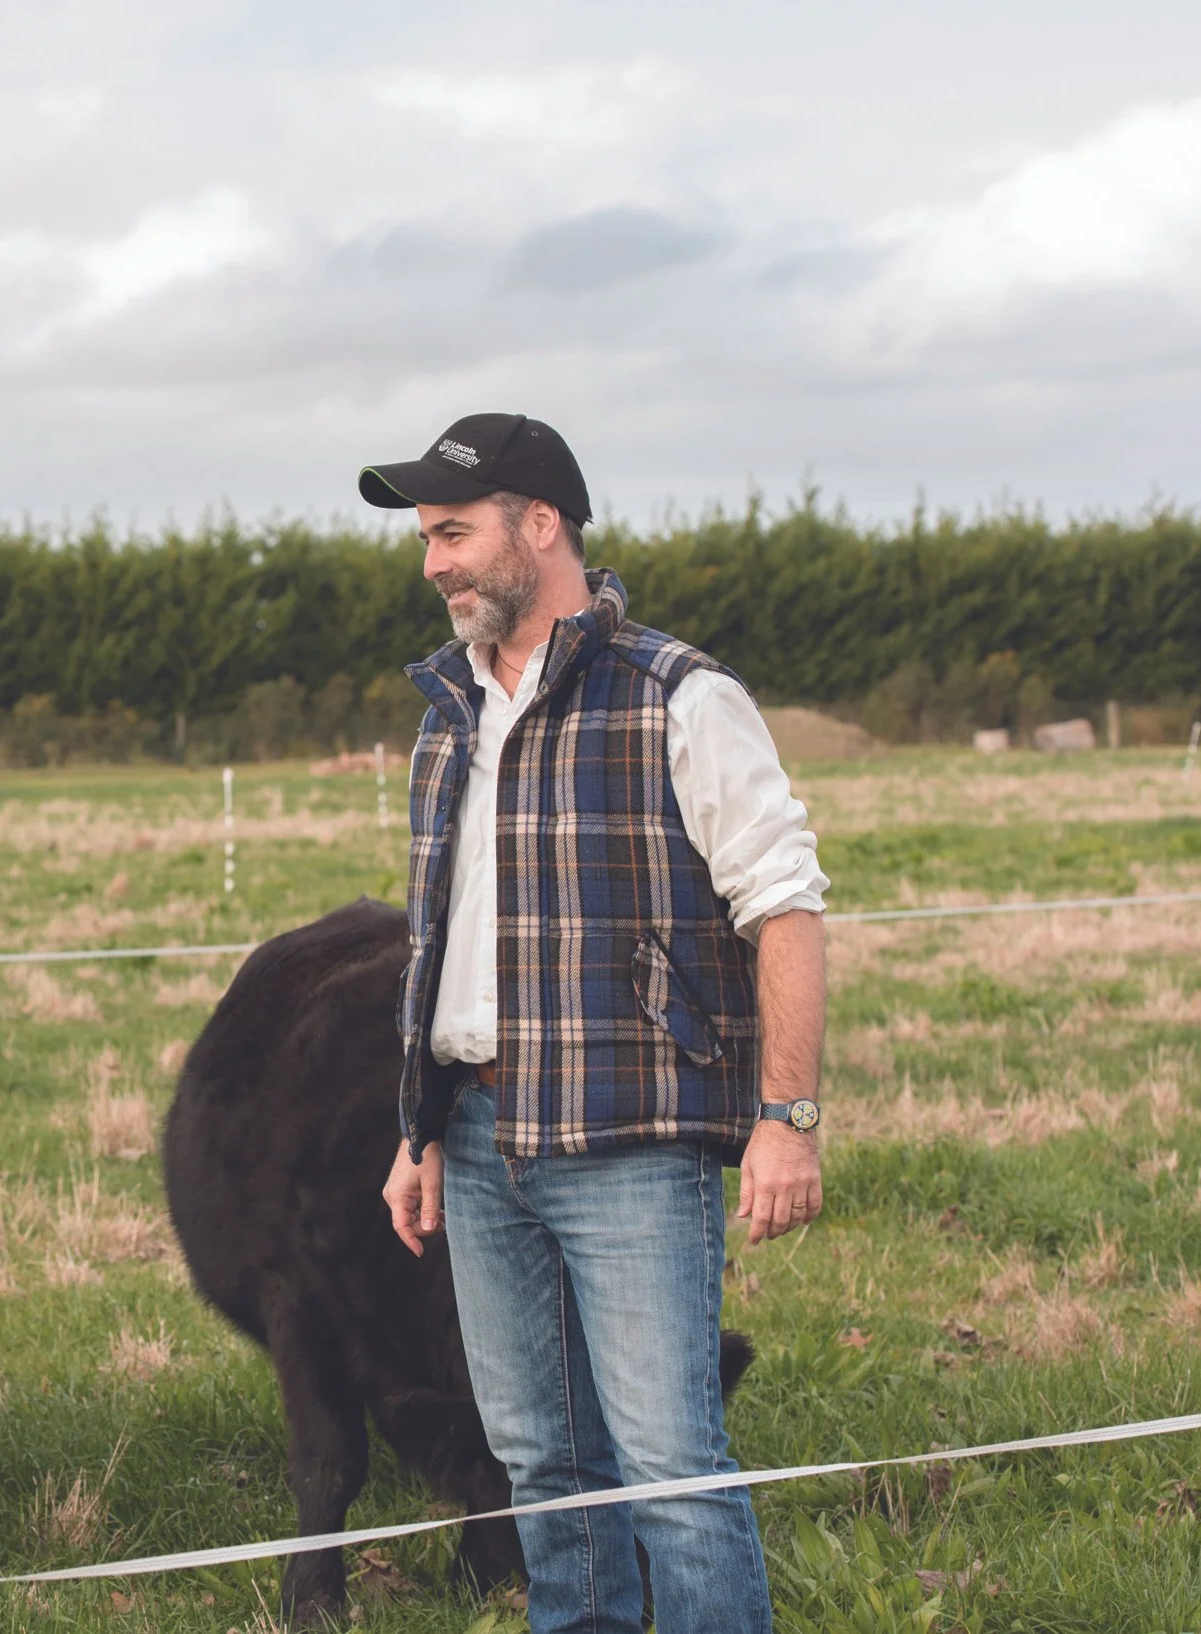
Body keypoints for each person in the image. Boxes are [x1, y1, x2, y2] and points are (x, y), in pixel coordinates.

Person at [365, 413, 828, 1634]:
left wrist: (787, 1116)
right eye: (423, 539)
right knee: (542, 1468)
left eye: (452, 532)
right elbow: (441, 946)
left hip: (629, 1139)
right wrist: (418, 1132)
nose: (433, 564)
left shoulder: (678, 695)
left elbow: (782, 905)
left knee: (671, 1467)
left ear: (541, 524)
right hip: (474, 1136)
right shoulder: (444, 718)